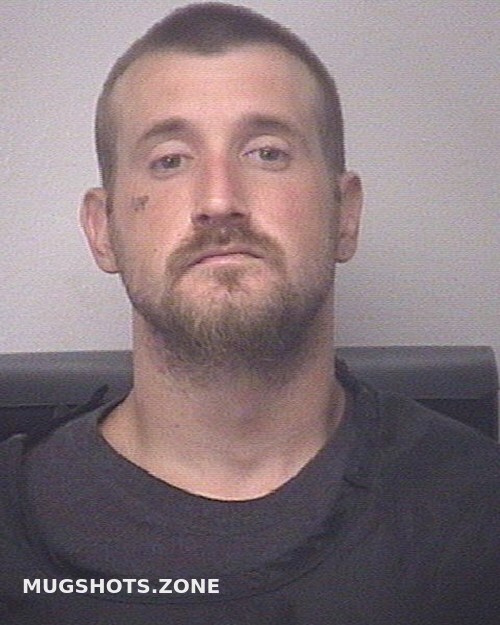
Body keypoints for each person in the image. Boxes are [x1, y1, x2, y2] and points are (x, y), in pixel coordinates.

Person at [1, 3, 500, 623]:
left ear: (344, 215)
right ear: (103, 230)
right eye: (170, 160)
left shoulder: (475, 508)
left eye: (266, 153)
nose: (219, 200)